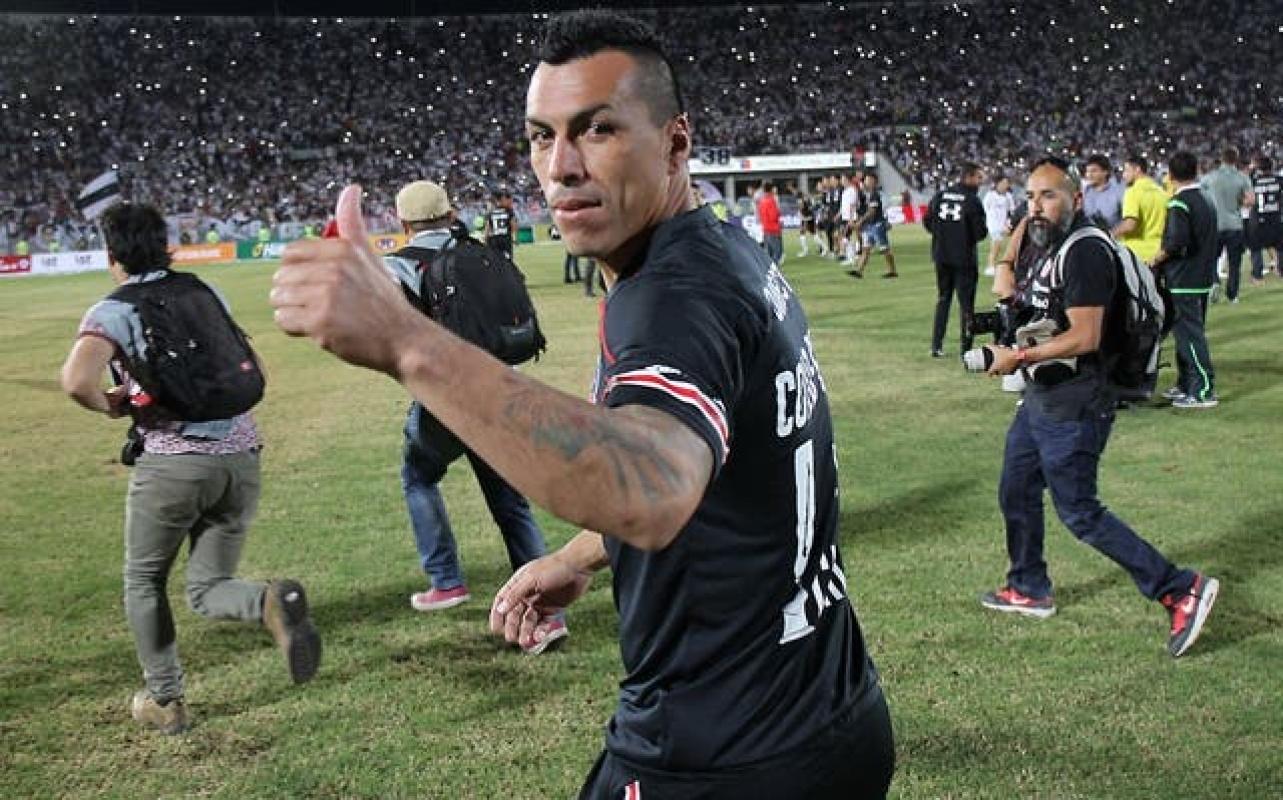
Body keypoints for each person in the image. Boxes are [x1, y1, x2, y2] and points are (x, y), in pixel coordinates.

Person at [271, 10, 894, 798]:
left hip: (720, 751)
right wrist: (578, 556)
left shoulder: (670, 298)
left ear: (675, 143)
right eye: (542, 137)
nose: (560, 167)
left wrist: (406, 342)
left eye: (597, 130)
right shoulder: (726, 250)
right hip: (835, 712)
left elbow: (653, 487)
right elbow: (718, 471)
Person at [60, 203, 321, 735]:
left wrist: (112, 405)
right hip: (241, 458)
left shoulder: (113, 310)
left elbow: (76, 381)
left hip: (173, 465)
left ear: (112, 255)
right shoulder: (204, 290)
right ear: (165, 245)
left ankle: (166, 700)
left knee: (144, 580)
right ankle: (268, 602)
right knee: (208, 587)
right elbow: (254, 367)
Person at [979, 157, 1219, 658]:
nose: (1036, 206)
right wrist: (1022, 230)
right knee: (1016, 488)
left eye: (1048, 195)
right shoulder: (1047, 241)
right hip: (1043, 394)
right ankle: (1028, 586)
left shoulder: (1085, 249)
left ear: (1077, 199)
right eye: (1029, 197)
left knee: (1080, 512)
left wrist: (1016, 357)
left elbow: (1085, 336)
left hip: (1078, 399)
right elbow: (1006, 288)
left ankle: (1180, 588)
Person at [381, 180, 567, 651]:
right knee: (509, 502)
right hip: (500, 391)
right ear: (450, 213)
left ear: (403, 222)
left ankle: (446, 580)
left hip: (447, 398)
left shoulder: (399, 265)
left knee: (418, 476)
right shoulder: (481, 252)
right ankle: (547, 613)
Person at [1150, 151, 1220, 408]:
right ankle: (1186, 383)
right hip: (1201, 276)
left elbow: (1176, 242)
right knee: (1186, 334)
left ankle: (1202, 390)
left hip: (1183, 278)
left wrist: (1155, 260)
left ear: (1170, 175)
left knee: (1189, 335)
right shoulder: (1206, 199)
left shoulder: (1179, 203)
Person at [924, 162, 987, 357]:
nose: (981, 181)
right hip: (964, 258)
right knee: (966, 305)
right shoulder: (972, 200)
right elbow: (980, 232)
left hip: (942, 256)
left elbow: (928, 221)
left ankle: (936, 345)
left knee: (943, 299)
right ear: (968, 177)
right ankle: (965, 349)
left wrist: (943, 236)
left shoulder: (940, 195)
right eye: (978, 177)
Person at [1201, 147, 1256, 303]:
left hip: (1214, 225)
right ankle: (1232, 295)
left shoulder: (1209, 178)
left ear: (1222, 158)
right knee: (1234, 263)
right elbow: (1251, 201)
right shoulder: (1242, 178)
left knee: (1210, 259)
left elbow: (1200, 196)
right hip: (1235, 225)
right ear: (1236, 159)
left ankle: (1214, 281)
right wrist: (1238, 202)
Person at [1113, 154, 1167, 265]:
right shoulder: (1161, 192)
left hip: (1137, 255)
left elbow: (1130, 225)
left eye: (1126, 170)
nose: (1124, 175)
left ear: (1137, 169)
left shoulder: (1133, 191)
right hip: (1159, 252)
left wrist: (1110, 234)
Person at [850, 172, 897, 278]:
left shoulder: (875, 194)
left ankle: (892, 270)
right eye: (865, 180)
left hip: (877, 225)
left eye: (868, 180)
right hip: (871, 225)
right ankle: (859, 271)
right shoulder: (869, 194)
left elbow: (872, 211)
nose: (865, 182)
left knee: (884, 249)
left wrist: (860, 221)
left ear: (873, 181)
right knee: (866, 249)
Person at [1247, 154, 1282, 282]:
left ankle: (1257, 275)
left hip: (1257, 219)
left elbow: (1247, 199)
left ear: (1258, 168)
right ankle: (1281, 270)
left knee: (1256, 248)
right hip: (1275, 217)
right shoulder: (1279, 180)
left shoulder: (1252, 181)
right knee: (1280, 246)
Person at [983, 174, 1015, 276]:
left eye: (1007, 183)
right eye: (1003, 183)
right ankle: (990, 267)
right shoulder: (990, 195)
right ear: (997, 184)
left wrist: (1008, 222)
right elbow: (985, 209)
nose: (1005, 185)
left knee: (1004, 245)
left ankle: (1001, 265)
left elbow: (1011, 210)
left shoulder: (1008, 196)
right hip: (993, 224)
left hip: (1004, 224)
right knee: (996, 245)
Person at [1082, 154, 1125, 230]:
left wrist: (1111, 234)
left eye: (1094, 171)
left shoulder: (1119, 192)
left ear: (1105, 172)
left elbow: (1128, 222)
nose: (1089, 175)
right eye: (1087, 171)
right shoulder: (1085, 192)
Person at [485, 189, 518, 261]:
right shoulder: (508, 211)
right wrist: (514, 238)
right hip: (505, 239)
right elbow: (513, 225)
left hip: (494, 239)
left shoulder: (490, 212)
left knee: (495, 260)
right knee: (507, 260)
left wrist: (486, 239)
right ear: (502, 199)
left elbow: (488, 228)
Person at [756, 180, 783, 265]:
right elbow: (773, 216)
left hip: (765, 229)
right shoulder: (771, 200)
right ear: (771, 189)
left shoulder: (761, 201)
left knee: (769, 253)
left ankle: (768, 269)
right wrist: (778, 213)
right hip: (774, 229)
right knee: (777, 252)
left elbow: (760, 215)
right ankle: (774, 269)